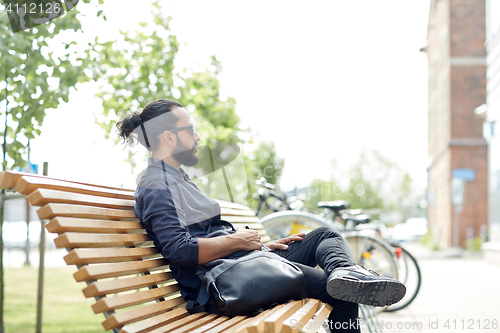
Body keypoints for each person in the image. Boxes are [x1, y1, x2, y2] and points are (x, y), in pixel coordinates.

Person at [117, 99, 405, 332]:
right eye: (190, 130)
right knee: (339, 293)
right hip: (222, 286)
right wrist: (240, 242)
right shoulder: (156, 186)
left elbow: (204, 235)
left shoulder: (174, 178)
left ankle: (346, 271)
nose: (197, 137)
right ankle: (347, 280)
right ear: (169, 137)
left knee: (323, 236)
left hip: (240, 265)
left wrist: (261, 246)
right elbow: (180, 251)